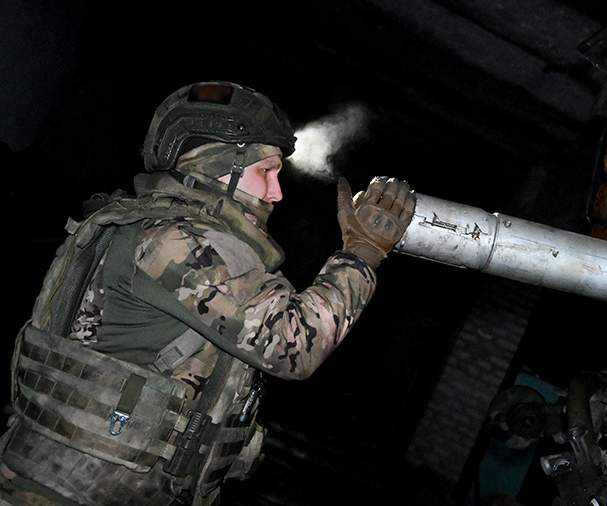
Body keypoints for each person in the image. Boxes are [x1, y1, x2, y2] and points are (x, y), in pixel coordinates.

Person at [0, 81, 415, 505]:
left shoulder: (158, 228)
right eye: (266, 172)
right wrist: (362, 253)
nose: (276, 193)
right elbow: (292, 345)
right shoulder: (174, 242)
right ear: (219, 166)